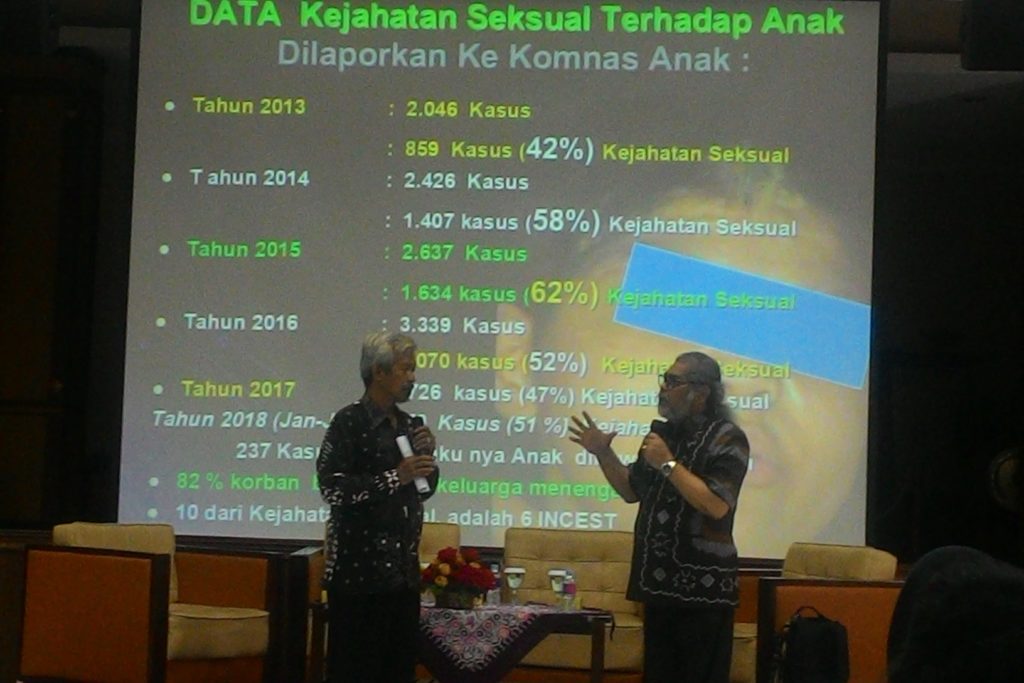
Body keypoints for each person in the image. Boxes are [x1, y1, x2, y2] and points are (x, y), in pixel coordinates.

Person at [569, 350, 749, 683]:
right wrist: (603, 453)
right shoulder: (661, 437)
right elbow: (630, 490)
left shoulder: (727, 438)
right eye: (664, 380)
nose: (663, 388)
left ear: (701, 392)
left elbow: (716, 505)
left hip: (703, 595)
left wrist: (667, 463)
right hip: (657, 587)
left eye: (672, 381)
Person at [316, 331, 439, 683]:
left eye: (413, 369)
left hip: (402, 578)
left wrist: (427, 459)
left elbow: (423, 490)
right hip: (359, 579)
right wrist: (395, 477)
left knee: (398, 671)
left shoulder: (408, 425)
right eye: (405, 369)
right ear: (379, 372)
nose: (413, 377)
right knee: (356, 671)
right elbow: (332, 488)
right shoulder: (349, 423)